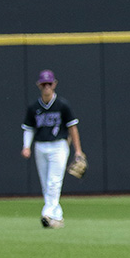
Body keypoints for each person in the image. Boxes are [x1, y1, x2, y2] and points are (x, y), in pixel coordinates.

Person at [21, 69, 84, 229]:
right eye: (44, 84)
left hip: (59, 146)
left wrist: (78, 150)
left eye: (49, 83)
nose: (46, 87)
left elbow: (73, 128)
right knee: (45, 184)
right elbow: (28, 128)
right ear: (39, 85)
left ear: (54, 84)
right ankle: (57, 218)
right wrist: (26, 146)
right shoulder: (34, 107)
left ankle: (47, 213)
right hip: (40, 146)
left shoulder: (62, 105)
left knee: (54, 182)